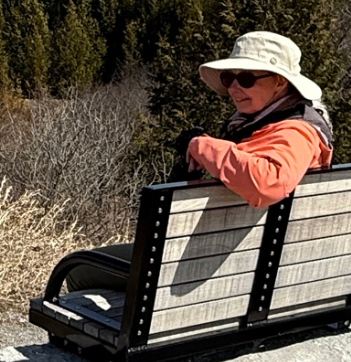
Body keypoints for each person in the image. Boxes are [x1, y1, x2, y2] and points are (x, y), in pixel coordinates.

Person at [63, 31, 336, 293]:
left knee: (78, 269)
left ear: (280, 81)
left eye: (246, 78)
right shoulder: (266, 125)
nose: (234, 88)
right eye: (229, 78)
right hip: (242, 258)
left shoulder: (296, 132)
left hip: (221, 265)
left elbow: (267, 182)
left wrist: (200, 144)